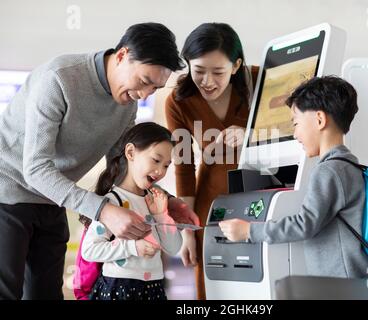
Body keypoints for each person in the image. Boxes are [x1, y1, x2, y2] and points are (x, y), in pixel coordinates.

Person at [0, 22, 197, 300]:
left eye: (154, 88)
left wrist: (167, 200)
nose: (143, 95)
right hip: (7, 191)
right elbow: (36, 168)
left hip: (53, 197)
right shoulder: (59, 79)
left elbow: (123, 166)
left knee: (45, 293)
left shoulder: (126, 105)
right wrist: (103, 211)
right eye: (143, 82)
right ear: (121, 56)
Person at [219, 76, 368, 278]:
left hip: (342, 284)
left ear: (319, 120)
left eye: (296, 123)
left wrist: (249, 231)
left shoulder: (329, 170)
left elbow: (304, 224)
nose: (295, 134)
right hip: (353, 279)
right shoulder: (350, 166)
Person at [165, 22, 258, 299]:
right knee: (213, 278)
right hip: (210, 198)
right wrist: (188, 231)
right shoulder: (179, 101)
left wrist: (251, 136)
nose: (207, 81)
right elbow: (183, 166)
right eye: (198, 71)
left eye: (218, 72)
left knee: (257, 274)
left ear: (236, 65)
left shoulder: (258, 82)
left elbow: (293, 129)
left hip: (259, 192)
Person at [80, 122, 182, 301]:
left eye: (166, 165)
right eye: (156, 160)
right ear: (130, 153)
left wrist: (162, 215)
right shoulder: (112, 203)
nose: (160, 171)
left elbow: (173, 248)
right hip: (119, 289)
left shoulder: (155, 201)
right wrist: (132, 247)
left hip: (154, 288)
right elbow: (89, 250)